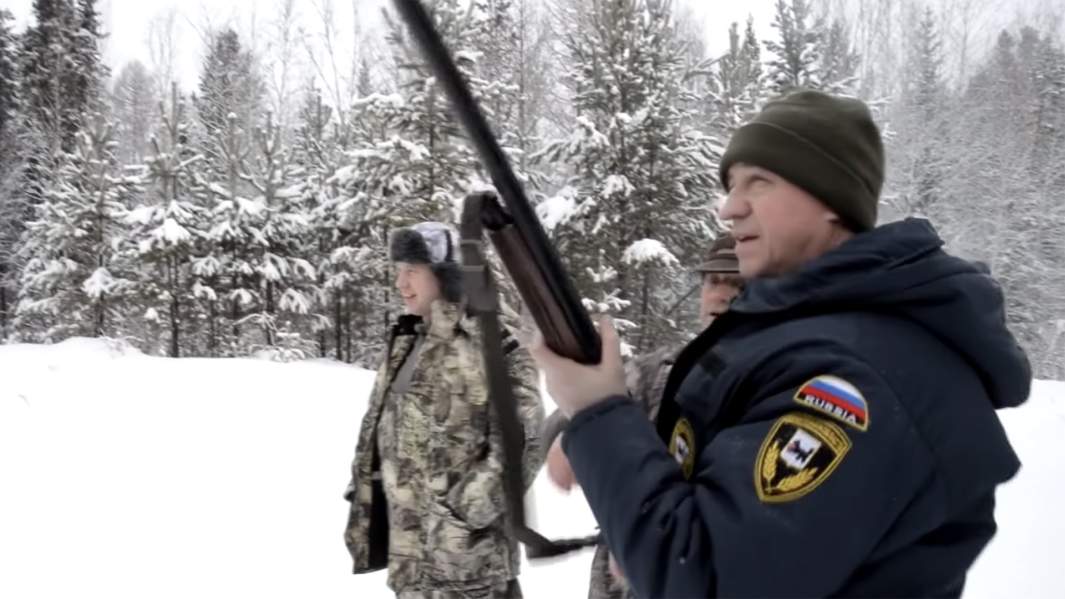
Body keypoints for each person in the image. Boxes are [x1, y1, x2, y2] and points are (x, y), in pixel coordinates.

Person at [528, 90, 1031, 598]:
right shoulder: (791, 339)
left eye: (759, 182)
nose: (729, 207)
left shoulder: (858, 376)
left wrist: (597, 411)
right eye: (729, 186)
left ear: (832, 199)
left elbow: (707, 578)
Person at [343, 221, 544, 599]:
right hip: (411, 562)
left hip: (469, 570)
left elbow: (526, 441)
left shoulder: (493, 341)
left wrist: (462, 515)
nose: (401, 284)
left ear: (447, 275)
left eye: (413, 271)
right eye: (398, 271)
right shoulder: (407, 340)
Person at [543, 235, 745, 599]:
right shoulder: (663, 368)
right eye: (714, 281)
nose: (723, 294)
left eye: (740, 284)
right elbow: (578, 406)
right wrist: (568, 433)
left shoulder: (768, 387)